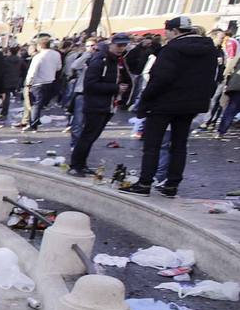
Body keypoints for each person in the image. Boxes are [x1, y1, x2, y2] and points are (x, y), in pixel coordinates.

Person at [124, 16, 217, 197]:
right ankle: (172, 185)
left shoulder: (171, 49)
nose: (165, 35)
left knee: (152, 144)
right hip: (191, 104)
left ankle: (144, 183)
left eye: (166, 31)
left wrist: (145, 101)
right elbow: (213, 78)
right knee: (179, 144)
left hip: (164, 103)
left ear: (174, 31)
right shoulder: (209, 50)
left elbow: (161, 78)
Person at [68, 34, 127, 177]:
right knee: (87, 136)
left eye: (124, 46)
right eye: (119, 45)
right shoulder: (101, 60)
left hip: (107, 104)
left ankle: (81, 164)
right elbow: (90, 84)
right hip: (96, 104)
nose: (121, 48)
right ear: (111, 44)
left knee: (91, 136)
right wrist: (115, 88)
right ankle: (76, 165)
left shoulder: (116, 61)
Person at [23, 36, 62, 131]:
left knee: (35, 104)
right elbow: (58, 68)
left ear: (39, 45)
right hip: (49, 81)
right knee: (40, 103)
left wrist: (28, 83)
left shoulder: (39, 56)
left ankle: (33, 124)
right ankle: (35, 120)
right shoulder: (56, 54)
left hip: (37, 82)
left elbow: (32, 71)